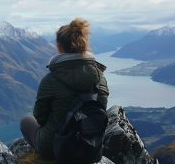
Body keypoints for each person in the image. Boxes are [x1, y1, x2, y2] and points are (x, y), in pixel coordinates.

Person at [20, 17, 109, 160]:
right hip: (91, 147)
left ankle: (43, 159)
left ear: (59, 47)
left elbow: (40, 117)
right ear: (84, 46)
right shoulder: (100, 78)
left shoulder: (50, 79)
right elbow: (101, 109)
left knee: (26, 121)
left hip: (57, 148)